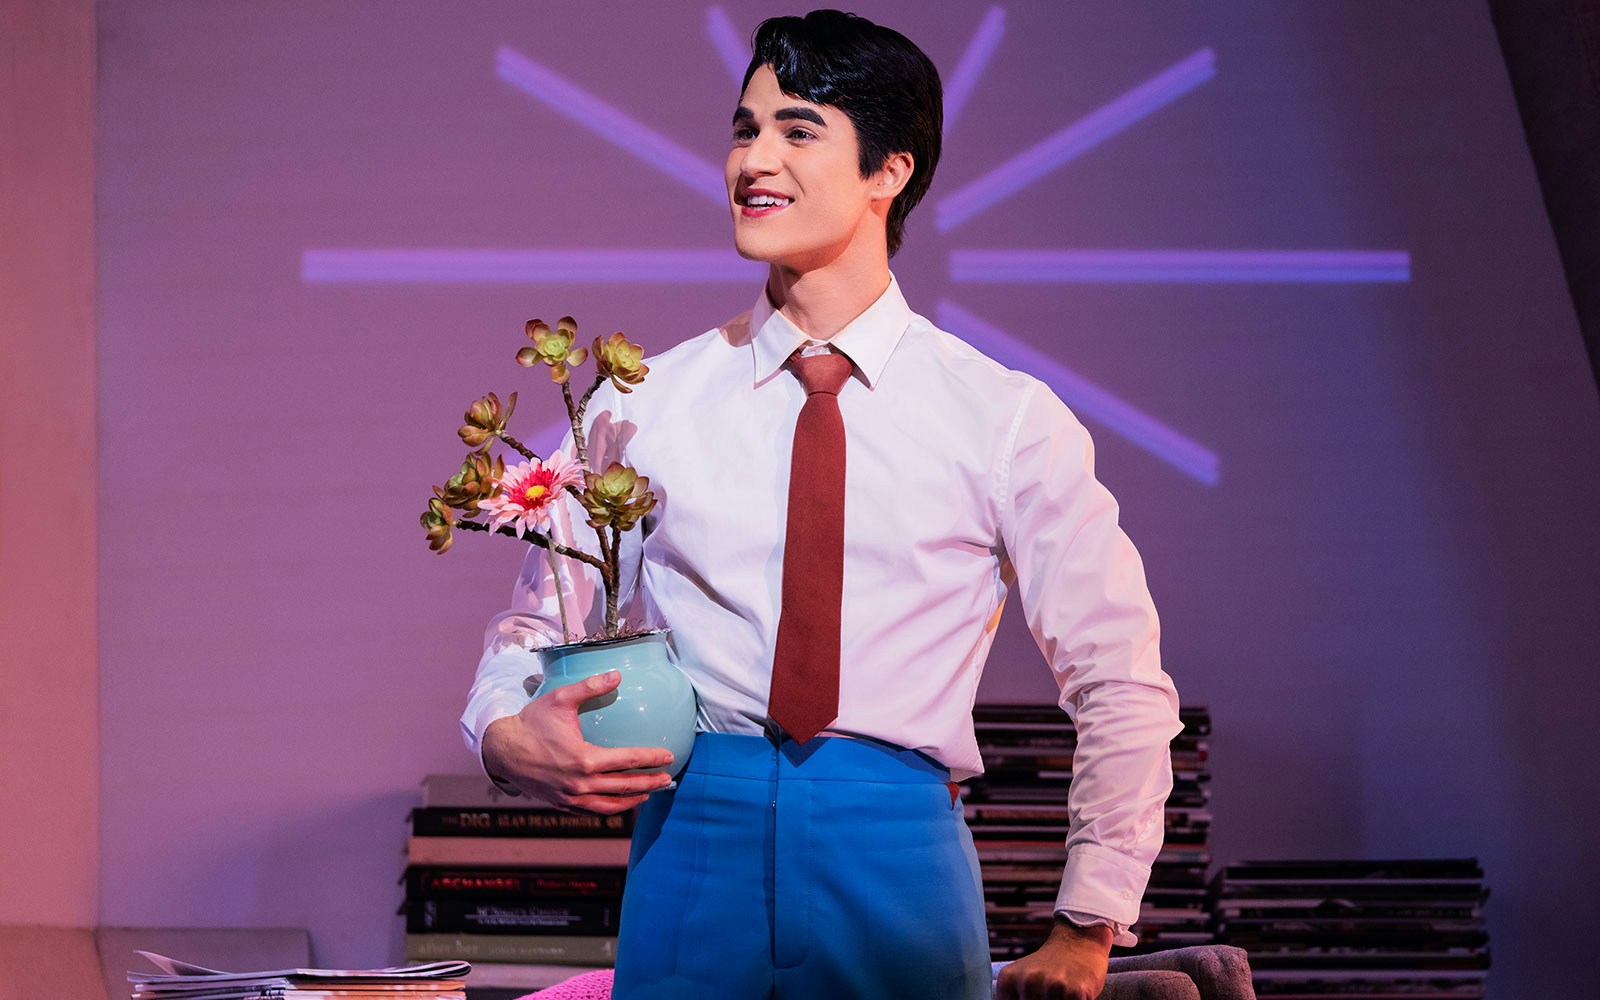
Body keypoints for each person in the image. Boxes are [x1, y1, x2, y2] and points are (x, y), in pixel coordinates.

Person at [460, 10, 1183, 1000]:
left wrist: (1088, 918)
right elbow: (532, 619)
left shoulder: (1004, 417)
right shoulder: (637, 404)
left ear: (889, 169)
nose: (752, 159)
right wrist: (504, 731)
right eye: (744, 128)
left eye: (798, 130)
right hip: (691, 842)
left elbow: (1120, 677)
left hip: (898, 854)